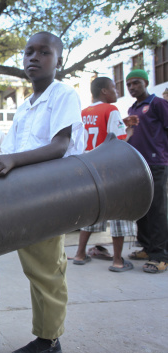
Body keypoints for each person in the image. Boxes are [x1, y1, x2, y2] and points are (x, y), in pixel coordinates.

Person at [0, 32, 84, 353]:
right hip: (25, 197)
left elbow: (59, 146)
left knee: (48, 269)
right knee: (36, 269)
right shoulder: (24, 107)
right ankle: (45, 336)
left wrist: (11, 160)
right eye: (28, 52)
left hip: (50, 194)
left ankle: (50, 340)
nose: (34, 58)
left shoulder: (63, 94)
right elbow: (10, 151)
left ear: (59, 61)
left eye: (44, 52)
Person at [72, 77, 139, 272]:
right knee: (117, 214)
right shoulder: (111, 110)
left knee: (90, 214)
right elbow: (118, 142)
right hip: (108, 169)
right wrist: (130, 132)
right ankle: (118, 260)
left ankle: (80, 254)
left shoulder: (82, 113)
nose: (117, 91)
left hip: (88, 170)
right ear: (104, 91)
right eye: (114, 88)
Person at [125, 69, 168, 274]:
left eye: (136, 83)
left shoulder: (158, 104)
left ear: (146, 82)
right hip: (137, 166)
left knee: (158, 209)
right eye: (129, 84)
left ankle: (160, 255)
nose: (132, 87)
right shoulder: (132, 108)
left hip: (157, 163)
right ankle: (147, 247)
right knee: (142, 208)